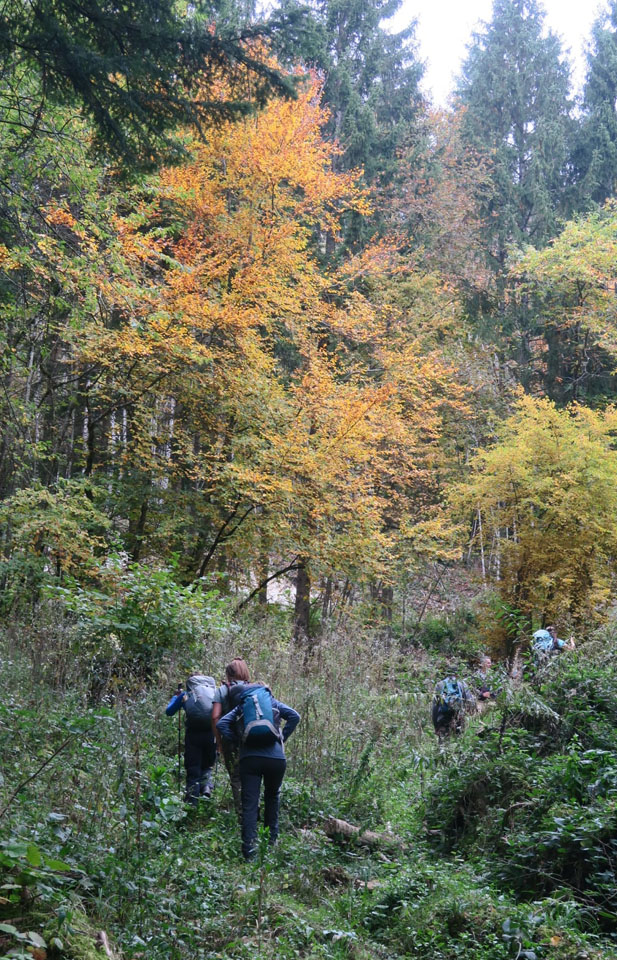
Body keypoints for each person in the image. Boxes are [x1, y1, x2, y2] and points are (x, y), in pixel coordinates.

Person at [216, 669, 300, 860]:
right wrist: (281, 738)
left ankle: (250, 854)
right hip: (276, 760)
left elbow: (221, 724)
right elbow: (295, 716)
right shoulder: (273, 703)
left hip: (250, 759)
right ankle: (271, 844)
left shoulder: (241, 707)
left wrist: (238, 741)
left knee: (250, 805)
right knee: (272, 798)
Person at [166, 673, 216, 805]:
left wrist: (175, 697)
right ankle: (206, 789)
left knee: (193, 769)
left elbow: (169, 711)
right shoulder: (214, 693)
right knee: (207, 766)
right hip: (211, 734)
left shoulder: (186, 695)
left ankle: (191, 804)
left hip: (193, 735)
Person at [211, 657, 250, 822]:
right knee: (251, 776)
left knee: (236, 777)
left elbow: (215, 717)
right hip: (250, 740)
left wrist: (219, 741)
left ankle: (242, 815)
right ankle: (253, 811)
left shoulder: (222, 690)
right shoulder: (253, 688)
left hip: (230, 740)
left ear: (228, 674)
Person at [431, 675, 475, 739]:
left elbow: (435, 707)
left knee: (443, 741)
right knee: (458, 739)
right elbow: (470, 702)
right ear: (457, 674)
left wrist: (436, 725)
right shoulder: (462, 684)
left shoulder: (440, 685)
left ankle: (443, 748)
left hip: (443, 717)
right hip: (458, 716)